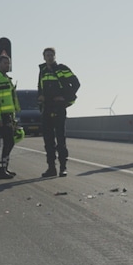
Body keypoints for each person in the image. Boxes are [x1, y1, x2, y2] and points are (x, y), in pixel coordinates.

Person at [37, 47, 80, 177]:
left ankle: (63, 167)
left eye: (51, 55)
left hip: (59, 108)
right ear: (44, 57)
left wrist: (65, 98)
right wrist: (40, 99)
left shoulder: (62, 69)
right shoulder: (43, 71)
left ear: (55, 56)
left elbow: (76, 84)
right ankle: (51, 168)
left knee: (60, 139)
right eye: (47, 55)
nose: (49, 57)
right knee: (48, 141)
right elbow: (40, 87)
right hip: (47, 109)